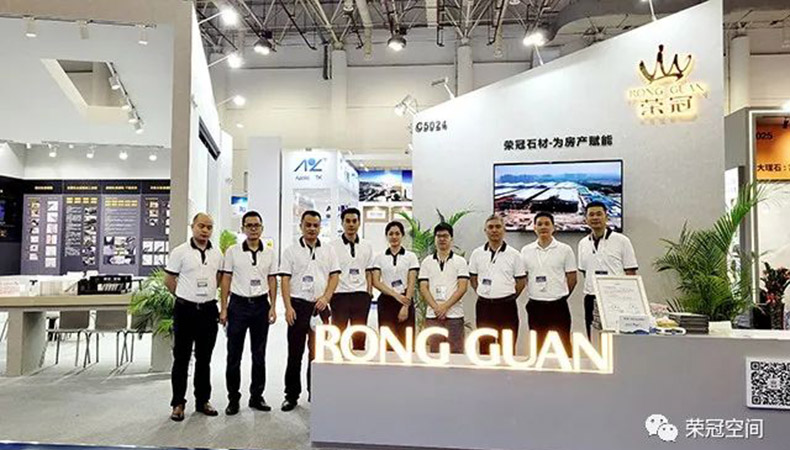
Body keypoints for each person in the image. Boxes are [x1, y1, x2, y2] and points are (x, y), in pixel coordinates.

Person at [163, 213, 224, 422]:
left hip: (208, 311)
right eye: (201, 226)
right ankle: (178, 403)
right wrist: (184, 295)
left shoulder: (217, 253)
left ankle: (203, 401)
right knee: (181, 359)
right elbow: (169, 280)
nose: (205, 230)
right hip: (185, 310)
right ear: (193, 227)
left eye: (209, 227)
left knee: (204, 359)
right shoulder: (180, 252)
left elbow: (218, 278)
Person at [279, 210, 340, 411]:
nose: (312, 229)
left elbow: (334, 276)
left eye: (315, 225)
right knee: (294, 353)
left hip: (320, 307)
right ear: (301, 226)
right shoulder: (290, 251)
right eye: (308, 225)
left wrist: (326, 297)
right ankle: (291, 395)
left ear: (320, 227)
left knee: (318, 354)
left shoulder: (329, 250)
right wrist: (287, 307)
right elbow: (285, 280)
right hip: (298, 306)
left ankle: (316, 392)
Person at [219, 211, 278, 415]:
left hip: (261, 305)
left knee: (259, 354)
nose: (253, 229)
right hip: (238, 306)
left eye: (256, 225)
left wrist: (273, 306)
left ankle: (256, 396)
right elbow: (226, 279)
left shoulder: (270, 253)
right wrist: (224, 308)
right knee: (234, 355)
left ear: (262, 228)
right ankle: (233, 399)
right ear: (243, 228)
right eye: (249, 225)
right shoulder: (232, 251)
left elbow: (272, 280)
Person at [577, 201, 638, 338]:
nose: (595, 218)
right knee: (592, 336)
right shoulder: (583, 243)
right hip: (591, 297)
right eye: (591, 215)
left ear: (606, 217)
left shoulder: (622, 241)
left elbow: (631, 272)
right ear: (586, 219)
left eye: (599, 214)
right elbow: (585, 271)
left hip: (616, 297)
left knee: (615, 337)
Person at [469, 214, 526, 355]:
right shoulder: (476, 253)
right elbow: (473, 278)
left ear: (504, 230)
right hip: (484, 307)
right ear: (485, 230)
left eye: (498, 227)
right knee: (484, 347)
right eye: (490, 227)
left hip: (506, 307)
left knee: (507, 348)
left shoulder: (514, 254)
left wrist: (508, 295)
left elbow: (521, 282)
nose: (494, 230)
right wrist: (483, 291)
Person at [521, 212, 577, 354]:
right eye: (539, 224)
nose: (543, 227)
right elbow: (524, 277)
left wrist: (560, 295)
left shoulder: (565, 249)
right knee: (537, 346)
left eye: (547, 224)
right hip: (535, 305)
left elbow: (572, 278)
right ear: (534, 228)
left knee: (564, 344)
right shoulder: (526, 251)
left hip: (558, 306)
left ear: (553, 227)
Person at [418, 222, 469, 354]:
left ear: (451, 239)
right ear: (435, 239)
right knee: (435, 354)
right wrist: (436, 308)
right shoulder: (427, 262)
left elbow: (462, 287)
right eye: (439, 236)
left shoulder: (460, 261)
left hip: (454, 315)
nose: (442, 239)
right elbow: (423, 287)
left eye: (445, 236)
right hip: (432, 315)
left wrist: (445, 307)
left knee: (456, 353)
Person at [330, 208, 374, 350]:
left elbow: (368, 271)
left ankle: (358, 363)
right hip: (339, 295)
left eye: (354, 221)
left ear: (359, 223)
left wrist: (368, 293)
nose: (351, 224)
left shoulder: (367, 246)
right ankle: (337, 363)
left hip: (360, 296)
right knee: (338, 335)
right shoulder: (332, 246)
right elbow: (330, 273)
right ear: (342, 223)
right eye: (347, 221)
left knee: (359, 336)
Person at [371, 221, 420, 345]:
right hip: (386, 301)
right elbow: (376, 281)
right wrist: (396, 295)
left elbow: (412, 281)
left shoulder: (411, 256)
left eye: (397, 233)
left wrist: (405, 305)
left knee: (407, 341)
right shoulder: (379, 257)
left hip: (405, 300)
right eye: (391, 234)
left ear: (402, 235)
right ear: (386, 236)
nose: (394, 237)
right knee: (387, 341)